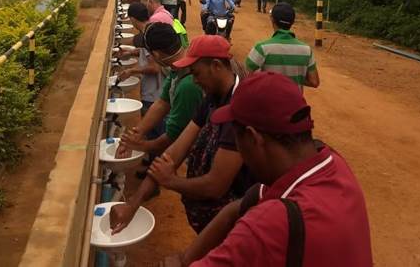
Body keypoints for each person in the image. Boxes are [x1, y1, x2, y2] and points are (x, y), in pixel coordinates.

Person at [165, 72, 373, 267]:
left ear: (253, 138)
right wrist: (185, 259)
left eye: (236, 139)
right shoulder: (331, 162)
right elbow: (235, 208)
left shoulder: (269, 224)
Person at [112, 35, 253, 235]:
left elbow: (215, 186)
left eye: (196, 73)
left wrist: (171, 181)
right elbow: (175, 151)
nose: (194, 80)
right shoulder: (212, 98)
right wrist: (132, 204)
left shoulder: (239, 110)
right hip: (209, 217)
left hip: (232, 224)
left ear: (216, 66)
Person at [117, 23, 204, 162]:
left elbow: (174, 135)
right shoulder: (178, 68)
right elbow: (162, 103)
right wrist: (137, 134)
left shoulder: (187, 85)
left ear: (156, 54)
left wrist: (140, 146)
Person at [246, 3, 320, 90]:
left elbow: (246, 76)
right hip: (294, 98)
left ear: (272, 19)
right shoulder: (306, 50)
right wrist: (292, 79)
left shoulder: (262, 48)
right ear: (292, 22)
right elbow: (314, 82)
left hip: (269, 98)